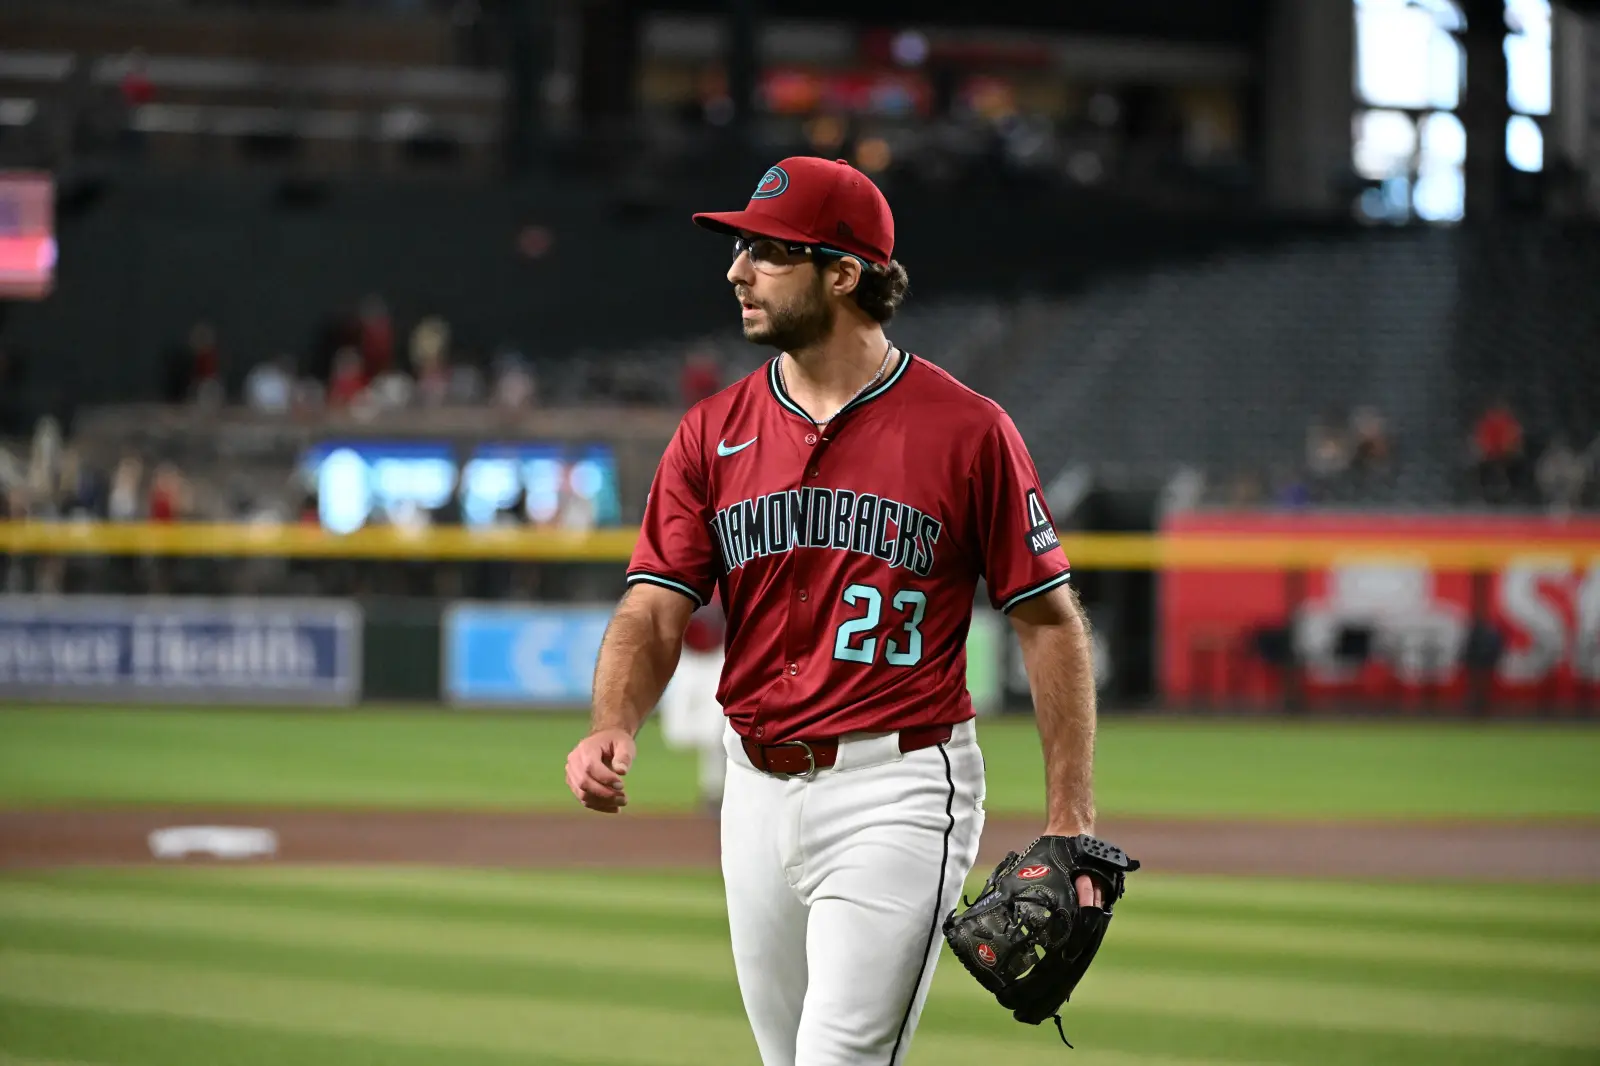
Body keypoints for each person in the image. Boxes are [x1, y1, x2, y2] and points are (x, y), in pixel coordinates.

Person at [565, 157, 1108, 1065]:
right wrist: (610, 721)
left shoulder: (967, 430)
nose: (736, 270)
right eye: (740, 248)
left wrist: (1070, 819)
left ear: (843, 274)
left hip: (897, 788)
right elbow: (655, 605)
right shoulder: (712, 430)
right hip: (752, 787)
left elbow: (1048, 619)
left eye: (766, 252)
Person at [655, 588, 728, 812]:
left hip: (719, 657)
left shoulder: (729, 578)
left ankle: (714, 790)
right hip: (687, 658)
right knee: (676, 734)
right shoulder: (685, 579)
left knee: (717, 733)